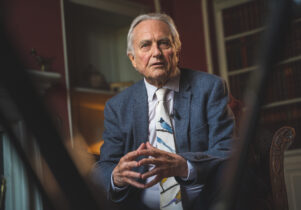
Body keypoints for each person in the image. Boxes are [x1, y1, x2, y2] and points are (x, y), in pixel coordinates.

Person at [93, 13, 234, 210]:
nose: (156, 52)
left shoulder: (210, 88)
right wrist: (116, 176)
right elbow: (104, 165)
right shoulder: (117, 106)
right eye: (145, 45)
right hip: (141, 202)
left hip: (202, 198)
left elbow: (227, 149)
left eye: (164, 43)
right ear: (133, 59)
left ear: (177, 50)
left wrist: (185, 165)